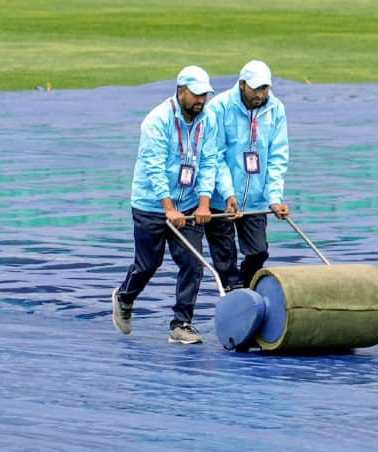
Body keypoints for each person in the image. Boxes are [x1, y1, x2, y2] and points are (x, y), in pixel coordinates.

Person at [112, 65, 222, 344]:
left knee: (192, 262)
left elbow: (209, 162)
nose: (201, 101)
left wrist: (204, 203)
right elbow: (154, 167)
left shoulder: (208, 120)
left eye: (204, 95)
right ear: (180, 91)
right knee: (148, 264)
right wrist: (168, 208)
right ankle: (125, 297)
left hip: (188, 202)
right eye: (196, 95)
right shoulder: (157, 120)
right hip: (151, 203)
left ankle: (181, 323)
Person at [204, 60, 290, 292]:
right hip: (221, 199)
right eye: (255, 88)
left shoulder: (276, 109)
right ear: (242, 84)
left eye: (265, 88)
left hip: (255, 200)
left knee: (259, 252)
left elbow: (277, 156)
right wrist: (227, 192)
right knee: (225, 259)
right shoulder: (219, 107)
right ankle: (233, 292)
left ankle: (247, 294)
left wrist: (274, 197)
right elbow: (215, 155)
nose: (260, 94)